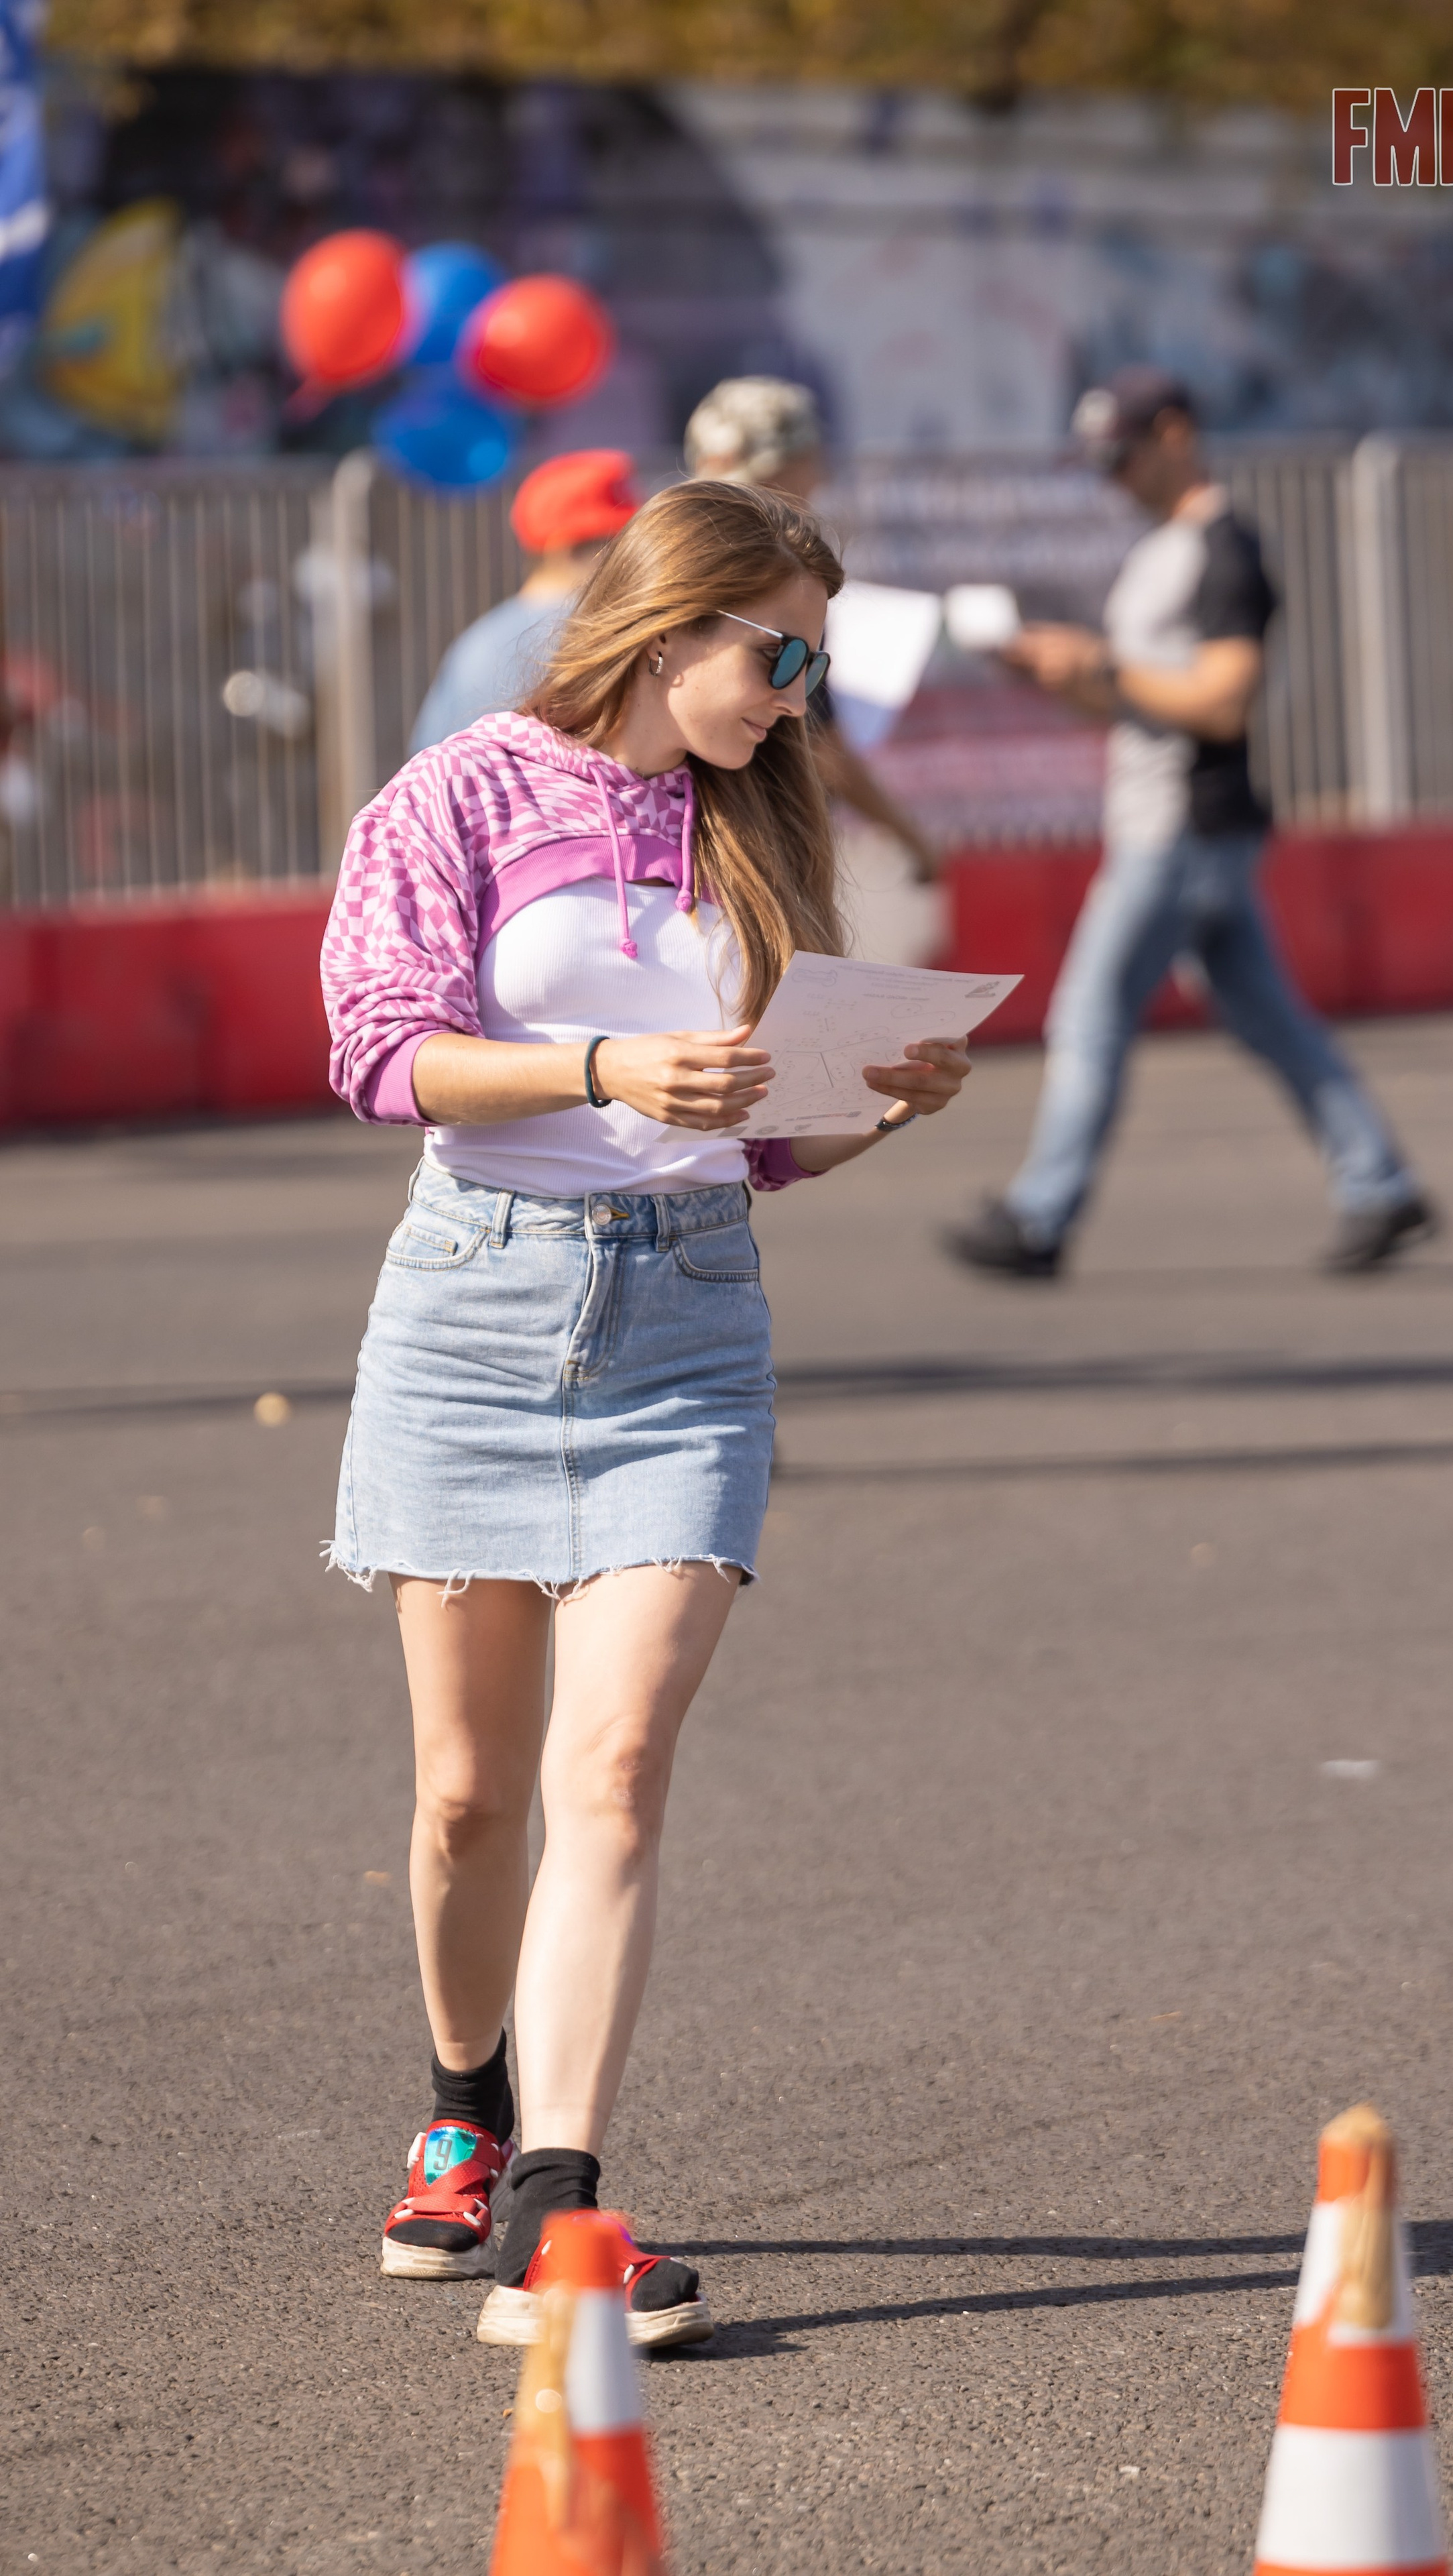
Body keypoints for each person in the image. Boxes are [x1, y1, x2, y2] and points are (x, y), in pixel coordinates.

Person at [321, 478, 971, 2352]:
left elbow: (762, 1134)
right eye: (778, 655)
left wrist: (884, 1099)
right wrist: (605, 1059)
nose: (796, 697)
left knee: (610, 1773)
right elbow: (379, 1048)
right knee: (463, 1798)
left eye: (815, 666)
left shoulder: (753, 827)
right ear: (669, 619)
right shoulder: (456, 793)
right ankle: (465, 2110)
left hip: (687, 1317)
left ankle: (558, 2209)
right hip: (473, 1305)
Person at [945, 370, 1438, 1278]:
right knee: (1270, 1021)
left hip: (1181, 824)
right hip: (1175, 819)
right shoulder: (1163, 549)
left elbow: (1222, 703)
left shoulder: (1225, 548)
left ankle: (1040, 1216)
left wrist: (1097, 663)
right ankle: (1380, 1182)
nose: (1113, 477)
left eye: (1122, 456)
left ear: (1175, 433)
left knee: (1091, 1018)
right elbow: (1141, 701)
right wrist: (1061, 673)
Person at [683, 375, 942, 885]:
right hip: (749, 845)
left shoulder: (672, 558)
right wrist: (910, 837)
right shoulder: (778, 579)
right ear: (797, 466)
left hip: (678, 838)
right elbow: (817, 741)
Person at [407, 449, 640, 753]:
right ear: (566, 549)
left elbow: (424, 758)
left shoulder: (475, 641)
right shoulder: (605, 629)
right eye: (616, 545)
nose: (635, 560)